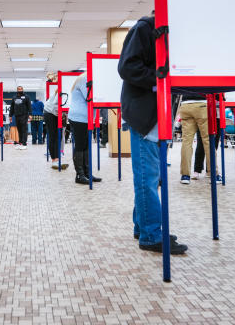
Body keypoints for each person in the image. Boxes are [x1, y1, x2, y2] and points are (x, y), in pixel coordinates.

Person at [118, 14, 188, 255]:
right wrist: (160, 77)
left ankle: (143, 226)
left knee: (150, 176)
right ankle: (151, 235)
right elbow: (127, 67)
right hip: (144, 116)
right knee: (147, 178)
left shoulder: (169, 33)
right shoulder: (145, 28)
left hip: (155, 114)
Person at [67, 71, 101, 185]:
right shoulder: (85, 78)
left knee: (86, 145)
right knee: (81, 146)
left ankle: (87, 173)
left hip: (86, 118)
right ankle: (79, 175)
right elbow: (89, 97)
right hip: (79, 118)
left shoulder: (87, 77)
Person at [177, 92, 210, 184]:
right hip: (202, 104)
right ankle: (213, 174)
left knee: (186, 142)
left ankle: (185, 175)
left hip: (185, 105)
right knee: (207, 140)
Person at [43, 74, 68, 171]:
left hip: (54, 113)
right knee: (53, 136)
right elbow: (55, 107)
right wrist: (61, 115)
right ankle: (54, 160)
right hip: (50, 113)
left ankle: (57, 159)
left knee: (58, 137)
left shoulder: (63, 90)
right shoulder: (62, 91)